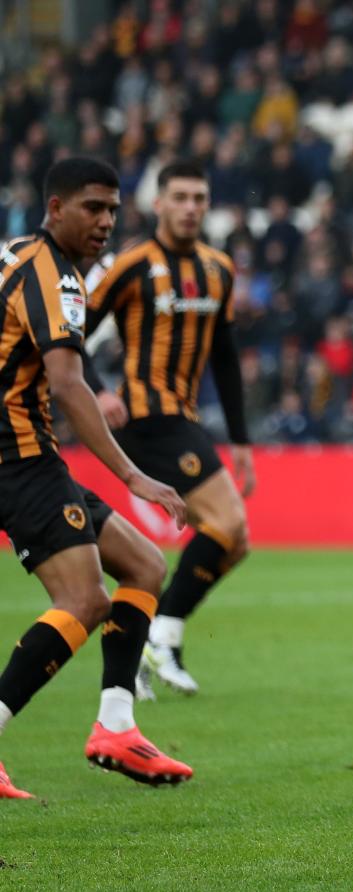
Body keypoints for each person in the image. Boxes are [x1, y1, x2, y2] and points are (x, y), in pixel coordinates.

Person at [0, 157, 193, 799]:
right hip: (17, 454)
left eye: (112, 209)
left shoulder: (21, 256)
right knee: (84, 600)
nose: (106, 222)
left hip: (26, 452)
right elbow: (66, 383)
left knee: (143, 565)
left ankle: (115, 725)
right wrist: (135, 476)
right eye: (92, 208)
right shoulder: (57, 277)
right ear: (55, 208)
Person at [85, 159, 252, 697]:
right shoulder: (131, 264)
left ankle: (152, 641)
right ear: (157, 203)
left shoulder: (218, 268)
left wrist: (242, 439)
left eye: (199, 199)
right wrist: (100, 389)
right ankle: (161, 638)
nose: (190, 208)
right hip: (143, 417)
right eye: (179, 197)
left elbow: (225, 357)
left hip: (185, 418)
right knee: (227, 522)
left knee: (236, 540)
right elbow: (68, 332)